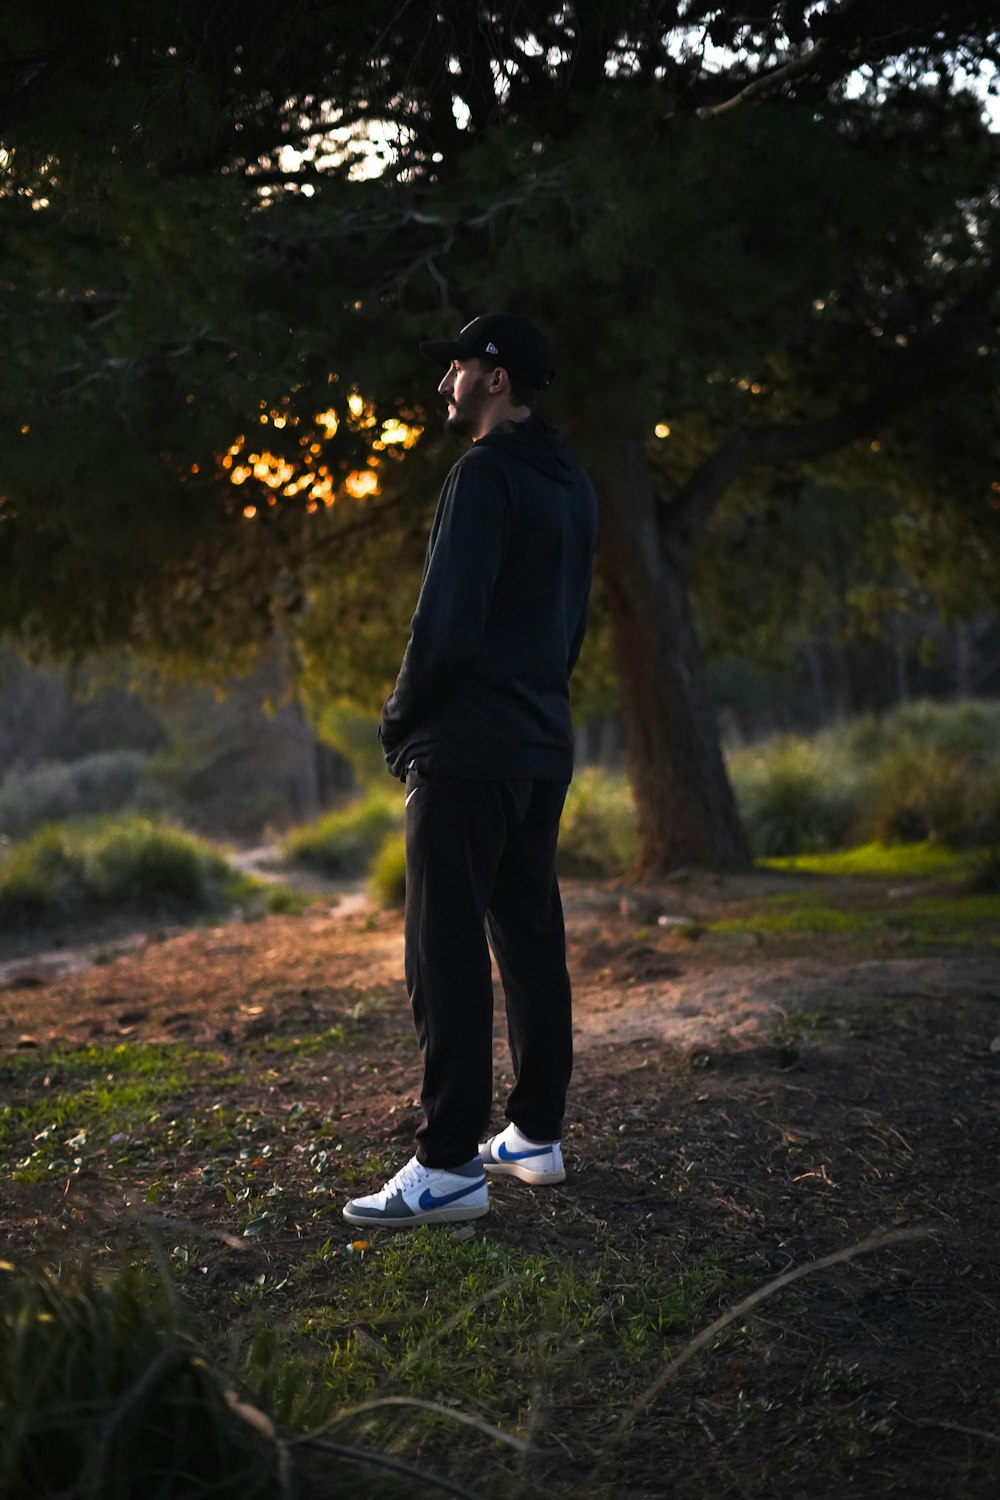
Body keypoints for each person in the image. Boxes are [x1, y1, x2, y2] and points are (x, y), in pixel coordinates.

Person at [343, 313, 599, 1228]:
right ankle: (534, 1134)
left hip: (467, 751)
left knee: (442, 950)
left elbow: (444, 623)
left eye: (457, 366)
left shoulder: (484, 476)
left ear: (495, 378)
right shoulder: (571, 482)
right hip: (538, 746)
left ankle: (447, 1166)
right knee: (529, 940)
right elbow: (566, 627)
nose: (445, 380)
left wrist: (401, 722)